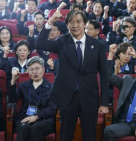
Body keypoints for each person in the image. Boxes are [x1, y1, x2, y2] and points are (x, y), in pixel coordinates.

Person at [36, 10, 109, 141]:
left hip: (89, 97)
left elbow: (104, 76)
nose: (75, 25)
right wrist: (50, 22)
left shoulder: (98, 45)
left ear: (85, 24)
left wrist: (104, 103)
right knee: (66, 135)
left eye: (78, 21)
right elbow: (39, 44)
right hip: (67, 97)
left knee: (90, 136)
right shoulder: (61, 41)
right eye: (71, 22)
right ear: (67, 25)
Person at [9, 56, 57, 141]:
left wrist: (37, 116)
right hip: (25, 116)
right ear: (28, 71)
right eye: (31, 69)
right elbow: (12, 100)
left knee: (36, 127)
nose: (35, 72)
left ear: (43, 69)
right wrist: (13, 81)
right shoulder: (23, 85)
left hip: (44, 119)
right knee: (24, 127)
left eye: (37, 68)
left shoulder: (51, 87)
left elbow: (52, 108)